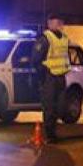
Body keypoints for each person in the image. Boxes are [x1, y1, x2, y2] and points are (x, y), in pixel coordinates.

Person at [31, 13, 71, 142]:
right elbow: (35, 59)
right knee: (50, 108)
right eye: (56, 21)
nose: (59, 24)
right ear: (49, 24)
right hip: (49, 77)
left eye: (61, 21)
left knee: (60, 107)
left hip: (61, 77)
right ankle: (50, 135)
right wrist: (43, 75)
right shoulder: (45, 38)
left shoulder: (64, 38)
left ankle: (53, 132)